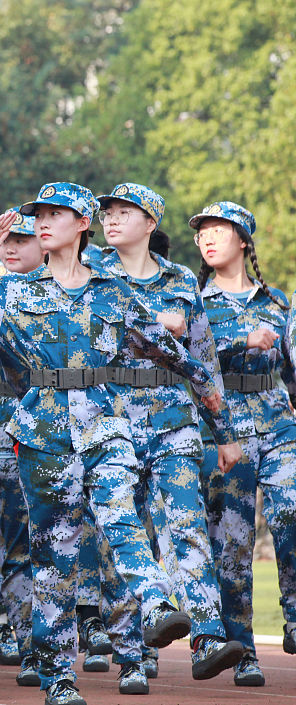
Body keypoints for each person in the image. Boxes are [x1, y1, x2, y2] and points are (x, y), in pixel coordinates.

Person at [0, 181, 221, 705]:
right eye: (37, 215)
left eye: (55, 214)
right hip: (42, 429)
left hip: (105, 421)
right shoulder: (13, 291)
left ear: (83, 223)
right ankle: (57, 676)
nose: (41, 222)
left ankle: (156, 604)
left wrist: (206, 389)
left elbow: (162, 346)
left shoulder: (112, 290)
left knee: (120, 514)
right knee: (54, 557)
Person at [93, 184, 246, 691]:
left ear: (150, 223)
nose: (112, 219)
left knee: (188, 528)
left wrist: (224, 433)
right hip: (109, 415)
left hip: (172, 418)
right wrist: (157, 322)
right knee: (121, 533)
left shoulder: (181, 280)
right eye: (107, 213)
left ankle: (207, 637)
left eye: (125, 212)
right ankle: (132, 654)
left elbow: (203, 359)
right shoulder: (91, 272)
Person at [189, 201, 296, 685]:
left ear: (244, 240)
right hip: (222, 430)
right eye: (202, 232)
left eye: (219, 229)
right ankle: (242, 651)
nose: (208, 239)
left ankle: (293, 617)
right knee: (231, 544)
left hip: (278, 424)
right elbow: (188, 361)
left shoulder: (279, 302)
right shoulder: (193, 302)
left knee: (291, 513)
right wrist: (242, 342)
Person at [0, 210, 38, 686]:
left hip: (64, 422)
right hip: (4, 424)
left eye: (22, 238)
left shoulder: (76, 287)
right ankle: (29, 643)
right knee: (15, 542)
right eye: (6, 240)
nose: (11, 247)